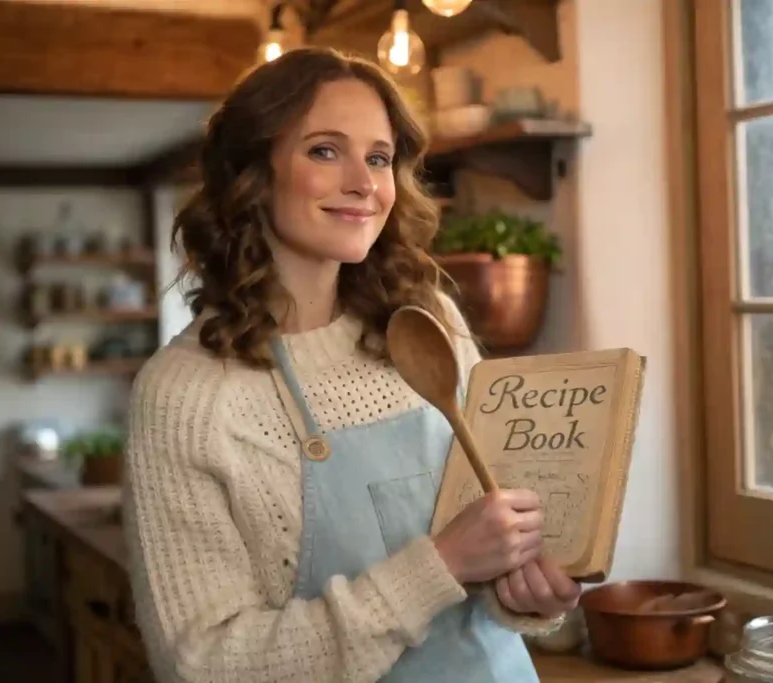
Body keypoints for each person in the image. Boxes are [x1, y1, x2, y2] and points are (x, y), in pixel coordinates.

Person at [123, 46, 581, 683]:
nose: (365, 184)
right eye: (324, 150)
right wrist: (438, 568)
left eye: (378, 157)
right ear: (252, 174)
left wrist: (525, 594)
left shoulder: (430, 323)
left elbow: (493, 558)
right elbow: (202, 665)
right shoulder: (187, 397)